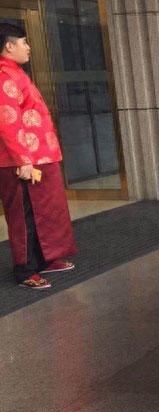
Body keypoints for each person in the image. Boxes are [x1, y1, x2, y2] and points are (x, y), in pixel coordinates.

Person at [0, 23, 75, 290]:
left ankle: (44, 260)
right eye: (24, 42)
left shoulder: (16, 73)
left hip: (37, 157)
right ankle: (25, 270)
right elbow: (7, 122)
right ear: (9, 46)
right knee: (24, 216)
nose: (28, 47)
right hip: (21, 160)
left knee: (43, 211)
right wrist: (23, 159)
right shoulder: (4, 76)